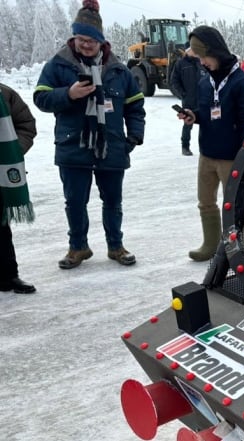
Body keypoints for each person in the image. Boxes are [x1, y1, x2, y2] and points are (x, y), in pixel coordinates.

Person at [34, 0, 145, 269]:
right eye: (82, 39)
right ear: (74, 37)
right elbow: (40, 98)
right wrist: (68, 94)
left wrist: (133, 137)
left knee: (113, 202)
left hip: (112, 147)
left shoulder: (118, 70)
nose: (86, 45)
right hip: (74, 145)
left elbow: (135, 105)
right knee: (74, 202)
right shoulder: (58, 66)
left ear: (101, 41)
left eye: (91, 40)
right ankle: (78, 247)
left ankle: (116, 246)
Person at [178, 26, 244, 262]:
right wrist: (194, 116)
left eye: (204, 57)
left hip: (231, 157)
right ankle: (211, 244)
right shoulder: (206, 83)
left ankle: (234, 252)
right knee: (206, 203)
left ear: (217, 52)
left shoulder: (243, 83)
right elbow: (208, 113)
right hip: (207, 154)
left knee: (232, 207)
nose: (202, 63)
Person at [0, 83, 37, 294]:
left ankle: (7, 276)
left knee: (1, 228)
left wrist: (11, 152)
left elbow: (26, 125)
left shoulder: (4, 94)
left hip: (1, 174)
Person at [170, 44, 206, 156]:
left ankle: (204, 148)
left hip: (202, 100)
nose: (195, 52)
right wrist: (182, 94)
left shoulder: (201, 63)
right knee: (187, 124)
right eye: (192, 49)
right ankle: (185, 147)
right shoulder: (180, 64)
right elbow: (173, 81)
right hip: (188, 101)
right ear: (187, 51)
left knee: (205, 125)